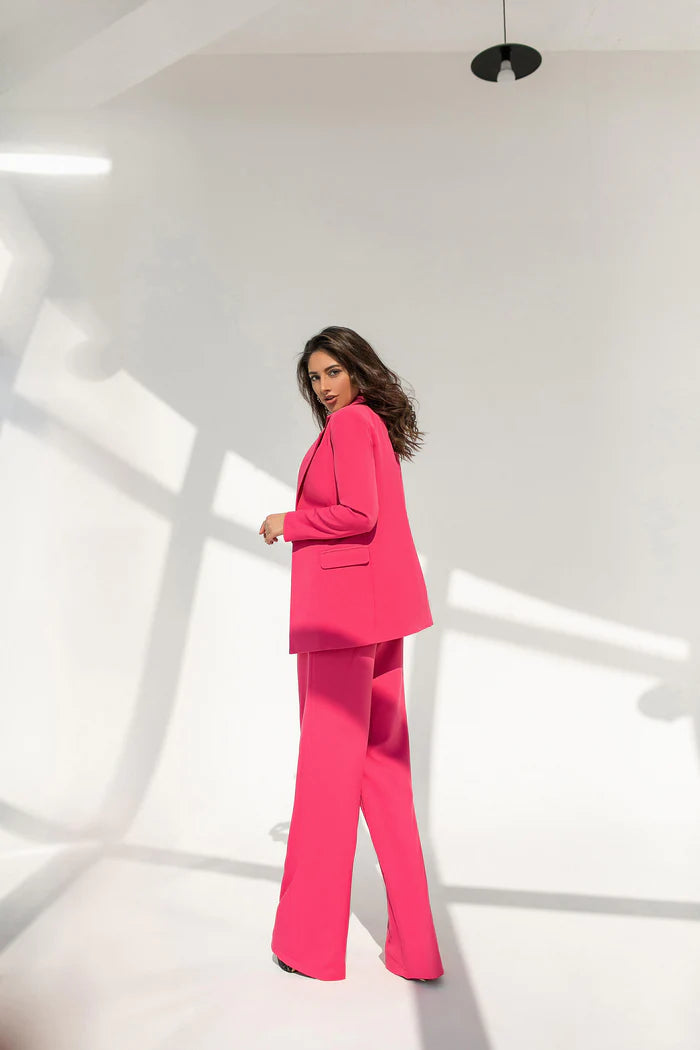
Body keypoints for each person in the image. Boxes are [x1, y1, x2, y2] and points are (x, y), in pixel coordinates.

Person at [259, 326, 443, 983]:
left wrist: (288, 522)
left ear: (359, 369)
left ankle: (309, 946)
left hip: (340, 623)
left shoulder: (348, 426)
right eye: (315, 377)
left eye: (333, 371)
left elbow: (358, 514)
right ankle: (417, 950)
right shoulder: (372, 426)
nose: (323, 386)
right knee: (383, 777)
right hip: (379, 618)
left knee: (325, 779)